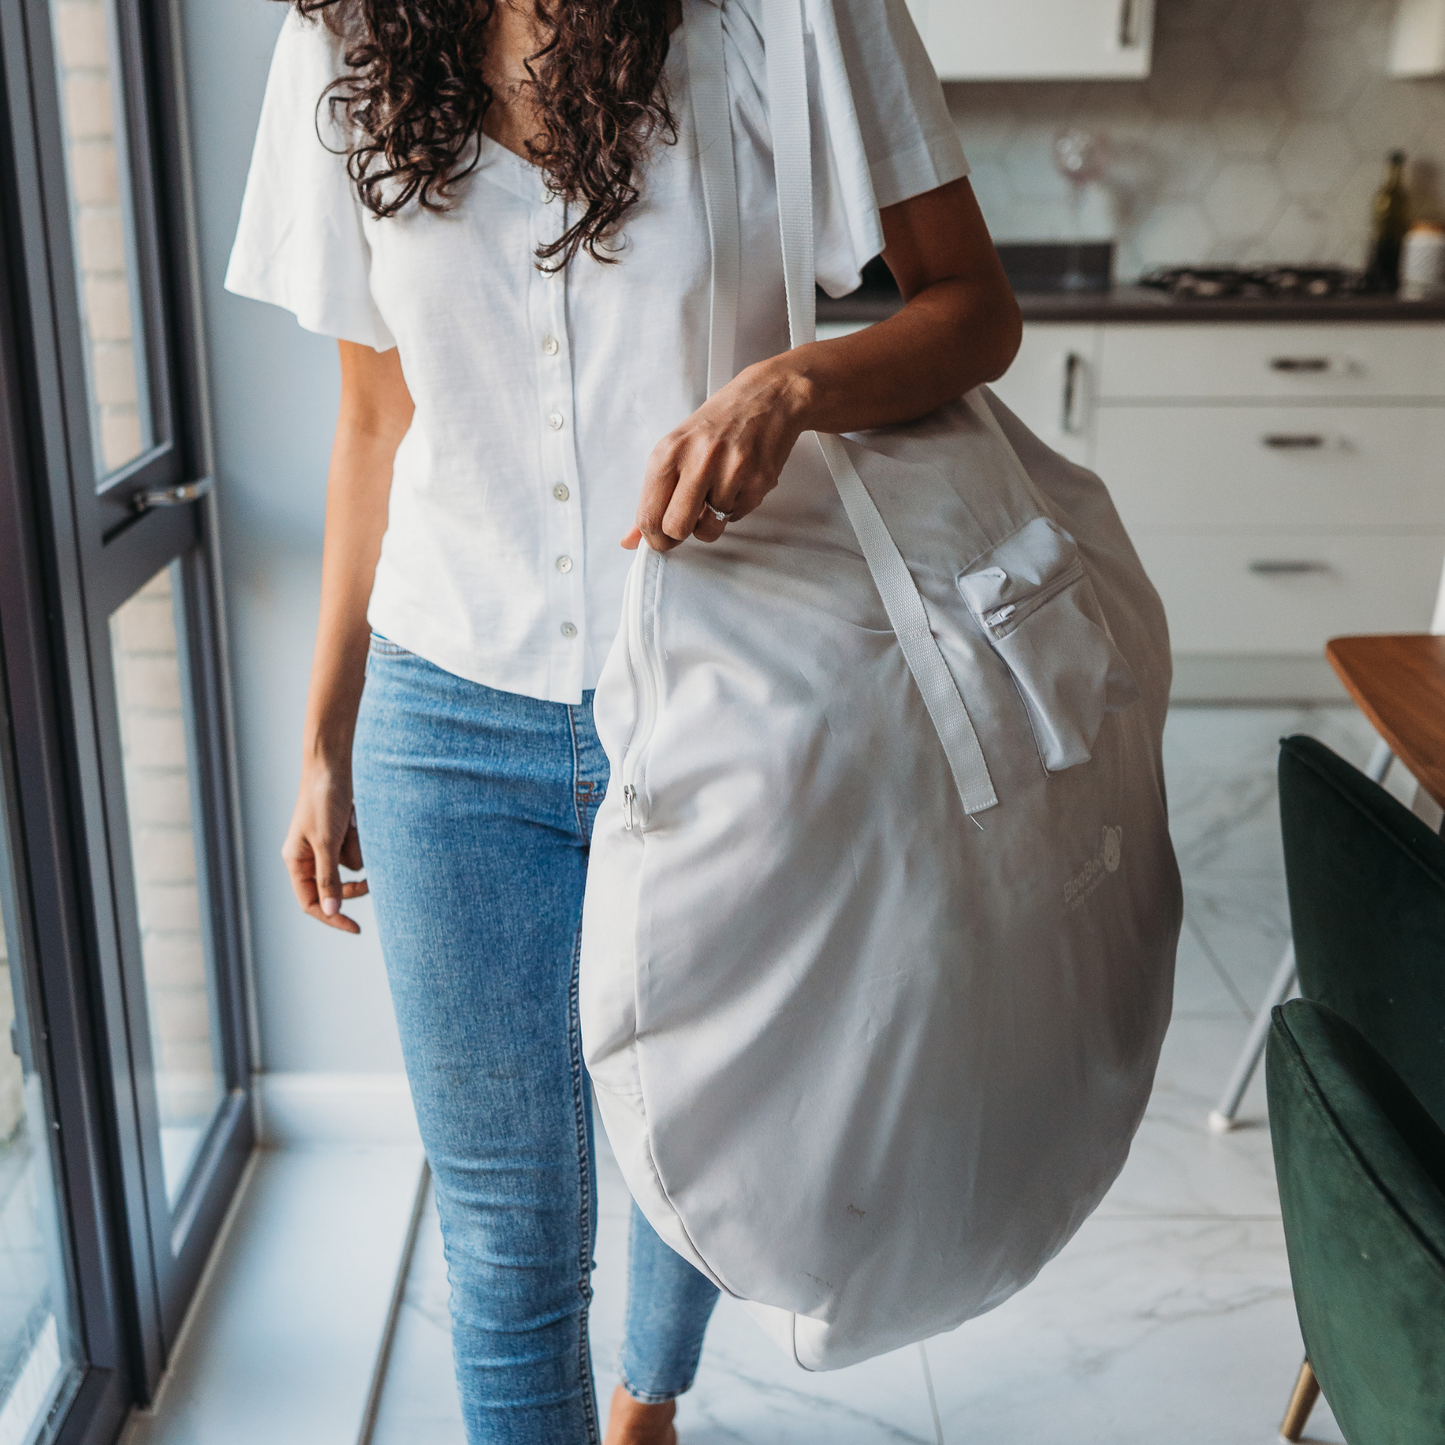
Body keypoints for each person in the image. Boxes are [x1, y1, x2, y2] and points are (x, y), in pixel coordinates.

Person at [226, 0, 1020, 1439]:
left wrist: (793, 382)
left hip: (719, 694)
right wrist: (326, 734)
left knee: (697, 1129)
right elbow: (368, 421)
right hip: (445, 710)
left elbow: (974, 308)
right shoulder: (337, 45)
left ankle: (648, 1402)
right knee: (505, 1238)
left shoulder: (792, 17)